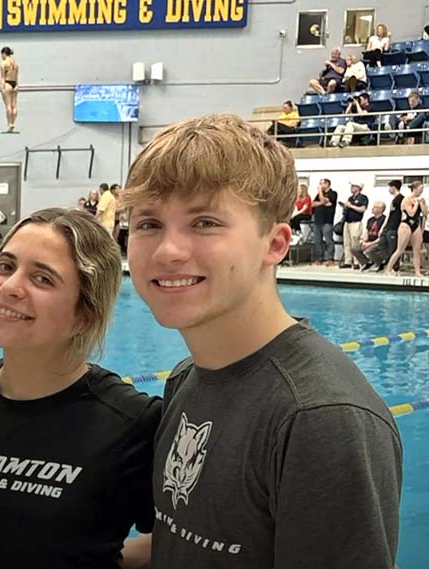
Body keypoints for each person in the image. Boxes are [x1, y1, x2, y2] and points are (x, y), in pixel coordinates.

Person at [123, 113, 401, 569]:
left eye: (205, 222)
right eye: (149, 224)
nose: (168, 251)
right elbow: (193, 544)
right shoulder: (189, 379)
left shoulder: (320, 418)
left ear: (275, 244)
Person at [0, 208, 158, 569]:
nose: (10, 286)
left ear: (86, 314)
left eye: (42, 279)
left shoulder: (130, 422)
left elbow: (177, 537)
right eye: (5, 266)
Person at [384, 181, 425, 276]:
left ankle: (417, 272)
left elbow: (425, 214)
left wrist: (422, 205)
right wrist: (416, 205)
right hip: (405, 225)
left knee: (417, 250)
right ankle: (388, 269)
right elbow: (411, 213)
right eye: (420, 189)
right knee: (400, 249)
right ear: (415, 189)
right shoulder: (406, 199)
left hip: (415, 225)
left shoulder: (418, 200)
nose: (422, 191)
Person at [367, 180, 404, 271]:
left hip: (395, 227)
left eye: (389, 187)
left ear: (393, 187)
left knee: (393, 248)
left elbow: (403, 213)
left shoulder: (401, 199)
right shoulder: (394, 200)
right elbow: (390, 215)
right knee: (380, 245)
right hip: (389, 227)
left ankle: (394, 266)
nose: (389, 190)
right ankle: (387, 261)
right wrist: (383, 227)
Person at [338, 181, 369, 269]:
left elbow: (362, 209)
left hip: (356, 222)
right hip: (347, 222)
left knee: (355, 241)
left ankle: (356, 261)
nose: (351, 188)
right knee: (347, 242)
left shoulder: (363, 198)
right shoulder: (350, 198)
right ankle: (348, 260)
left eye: (353, 186)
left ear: (358, 188)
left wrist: (351, 206)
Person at [310, 178, 337, 265]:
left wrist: (321, 195)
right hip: (318, 221)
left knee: (328, 240)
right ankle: (319, 258)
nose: (320, 186)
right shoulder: (318, 195)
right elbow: (313, 204)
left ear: (327, 184)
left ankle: (330, 258)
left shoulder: (333, 193)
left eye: (322, 183)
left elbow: (325, 200)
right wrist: (322, 203)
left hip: (327, 221)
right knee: (317, 241)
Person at [354, 201, 387, 271]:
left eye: (375, 207)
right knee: (354, 249)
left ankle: (380, 263)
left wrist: (369, 244)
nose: (372, 208)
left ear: (381, 209)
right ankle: (367, 262)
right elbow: (366, 232)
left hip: (378, 242)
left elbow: (381, 237)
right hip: (369, 241)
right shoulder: (370, 220)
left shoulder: (384, 220)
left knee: (369, 251)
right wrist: (363, 241)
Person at [0, 47, 19, 132]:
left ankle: (9, 124)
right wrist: (17, 85)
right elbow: (16, 76)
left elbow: (3, 77)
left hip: (7, 83)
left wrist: (2, 88)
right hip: (15, 84)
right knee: (14, 106)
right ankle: (13, 123)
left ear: (4, 53)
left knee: (8, 106)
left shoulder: (3, 63)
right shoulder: (16, 64)